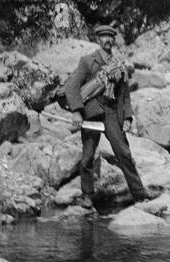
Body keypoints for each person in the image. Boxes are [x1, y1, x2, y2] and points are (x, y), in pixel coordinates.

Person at [64, 23, 150, 209]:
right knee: (87, 156)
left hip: (112, 114)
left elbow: (124, 95)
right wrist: (77, 111)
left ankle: (139, 193)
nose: (108, 40)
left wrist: (127, 117)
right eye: (104, 37)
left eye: (111, 37)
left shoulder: (119, 66)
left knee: (124, 153)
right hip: (91, 112)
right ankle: (87, 195)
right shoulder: (87, 61)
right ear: (98, 40)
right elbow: (71, 87)